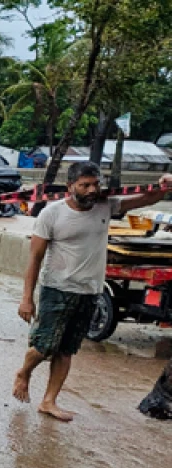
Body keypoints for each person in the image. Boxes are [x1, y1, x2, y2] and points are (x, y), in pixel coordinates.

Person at [13, 164, 172, 421]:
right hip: (57, 288)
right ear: (70, 186)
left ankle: (49, 401)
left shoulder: (105, 205)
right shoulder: (51, 214)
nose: (91, 190)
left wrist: (164, 184)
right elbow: (35, 258)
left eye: (95, 184)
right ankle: (24, 372)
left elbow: (145, 198)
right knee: (44, 347)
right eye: (84, 185)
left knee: (67, 350)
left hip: (90, 291)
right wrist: (26, 298)